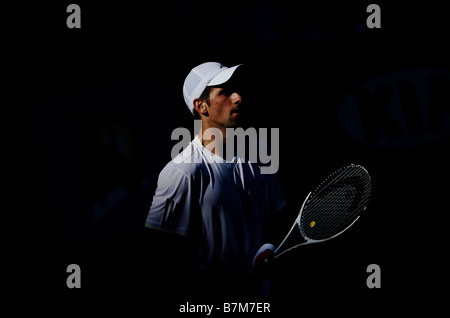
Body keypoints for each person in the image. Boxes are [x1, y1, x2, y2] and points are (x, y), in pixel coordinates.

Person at [144, 62, 287, 301]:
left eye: (236, 89)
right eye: (224, 92)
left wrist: (266, 249)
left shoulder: (260, 152)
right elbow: (163, 254)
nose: (238, 97)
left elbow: (275, 218)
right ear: (201, 106)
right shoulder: (182, 171)